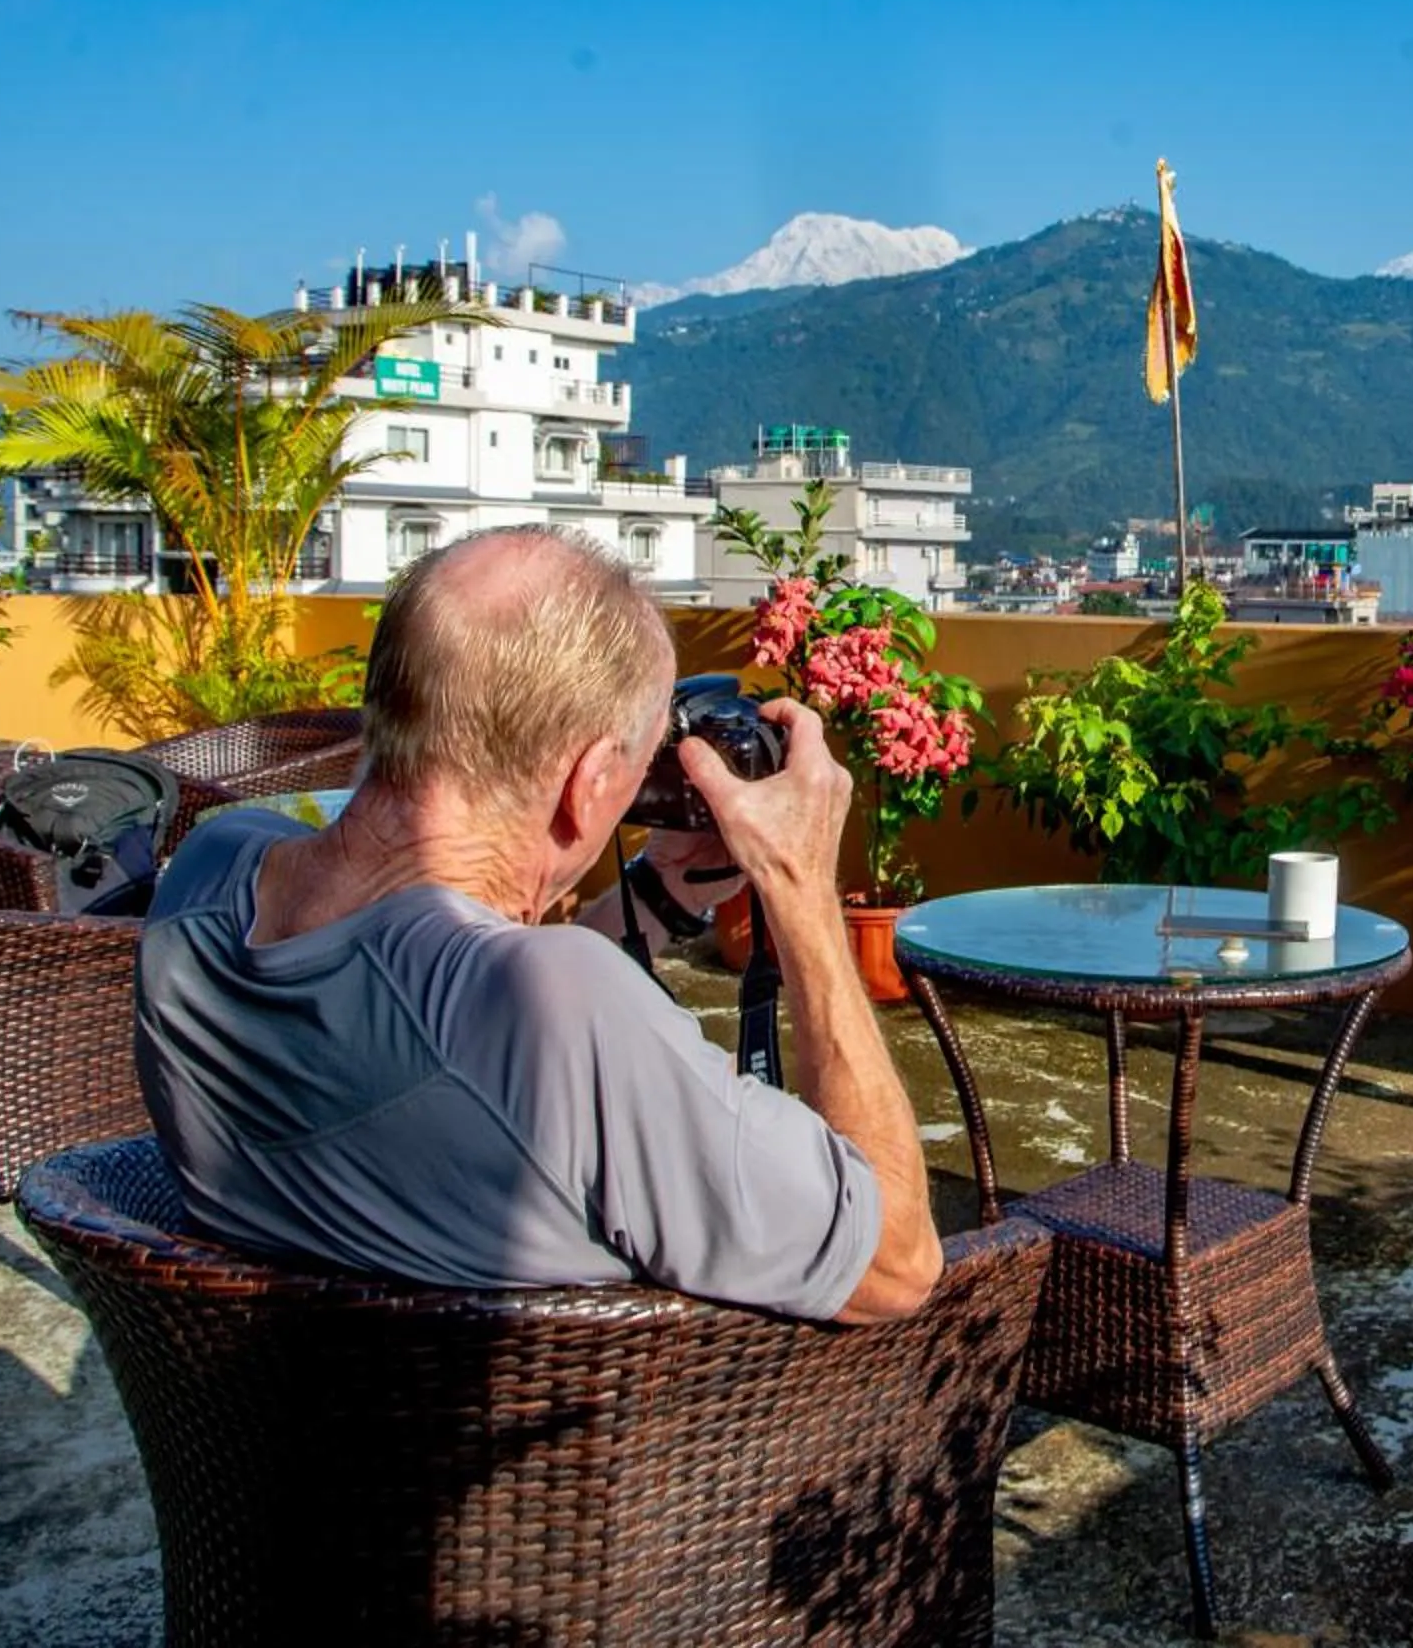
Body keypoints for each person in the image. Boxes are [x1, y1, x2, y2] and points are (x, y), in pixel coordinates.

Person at [134, 524, 944, 1324]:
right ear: (591, 782)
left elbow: (461, 1017)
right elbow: (895, 1263)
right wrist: (799, 886)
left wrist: (660, 892)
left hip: (269, 1424)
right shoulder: (566, 1007)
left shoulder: (210, 878)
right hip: (603, 1442)